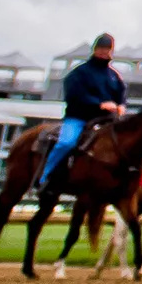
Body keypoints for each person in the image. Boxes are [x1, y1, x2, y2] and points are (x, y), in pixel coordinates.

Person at [38, 34, 125, 191]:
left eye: (107, 49)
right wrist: (99, 104)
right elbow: (73, 94)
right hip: (78, 118)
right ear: (94, 50)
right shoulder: (80, 73)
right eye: (101, 49)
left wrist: (122, 105)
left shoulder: (114, 76)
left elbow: (121, 96)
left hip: (106, 120)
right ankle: (45, 176)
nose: (104, 52)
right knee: (66, 143)